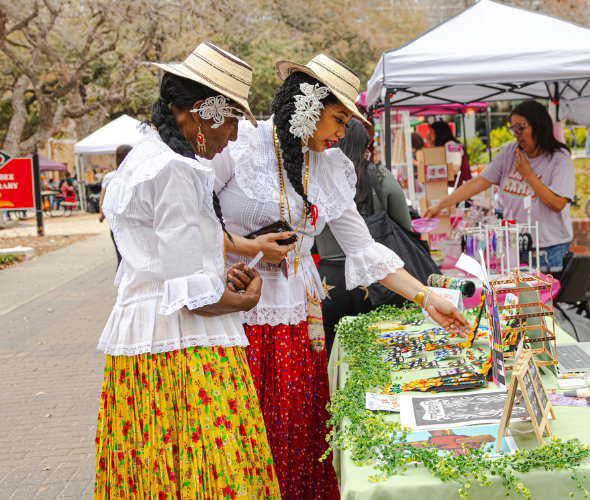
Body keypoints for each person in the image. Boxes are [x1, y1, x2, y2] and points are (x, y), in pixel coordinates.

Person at [203, 54, 468, 500]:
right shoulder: (241, 144)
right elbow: (190, 218)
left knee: (294, 427)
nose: (343, 134)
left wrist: (425, 297)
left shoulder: (329, 168)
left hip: (295, 317)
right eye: (338, 119)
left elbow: (363, 248)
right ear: (307, 105)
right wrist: (250, 247)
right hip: (234, 307)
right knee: (239, 431)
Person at [95, 43, 280, 498]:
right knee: (215, 475)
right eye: (232, 119)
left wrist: (220, 281)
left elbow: (167, 267)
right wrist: (244, 298)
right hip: (184, 351)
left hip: (146, 343)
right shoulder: (174, 168)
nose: (234, 136)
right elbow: (188, 293)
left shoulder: (143, 158)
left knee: (162, 471)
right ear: (201, 113)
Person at [424, 100, 575, 270]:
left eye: (520, 128)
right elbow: (479, 182)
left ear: (539, 125)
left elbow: (557, 203)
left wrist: (528, 175)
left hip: (548, 248)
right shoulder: (510, 153)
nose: (515, 134)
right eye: (513, 128)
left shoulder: (559, 158)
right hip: (515, 243)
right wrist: (441, 204)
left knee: (544, 295)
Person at [316, 119, 414, 355]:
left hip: (327, 281)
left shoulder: (315, 176)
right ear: (365, 143)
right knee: (378, 356)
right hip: (374, 278)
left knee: (332, 358)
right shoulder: (380, 177)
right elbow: (405, 229)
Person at [98, 145, 131, 266]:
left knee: (120, 258)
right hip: (132, 220)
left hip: (116, 221)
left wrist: (101, 214)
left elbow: (103, 199)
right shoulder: (137, 174)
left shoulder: (109, 177)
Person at [426, 120, 471, 188]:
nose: (428, 134)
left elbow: (455, 169)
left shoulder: (452, 145)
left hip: (456, 189)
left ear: (439, 133)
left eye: (431, 131)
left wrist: (433, 170)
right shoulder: (444, 146)